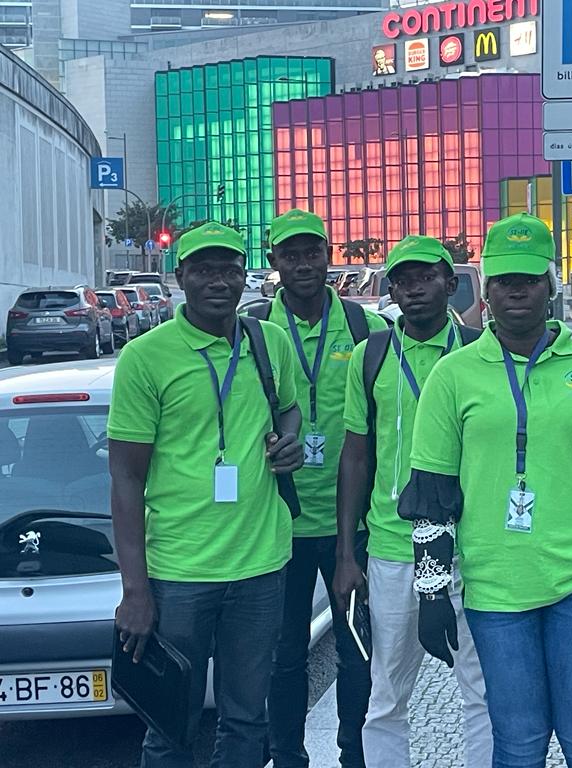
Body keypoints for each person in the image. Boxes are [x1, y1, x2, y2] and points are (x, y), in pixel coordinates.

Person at [400, 213, 572, 767]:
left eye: (529, 278)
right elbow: (432, 493)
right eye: (502, 280)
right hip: (497, 592)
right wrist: (430, 591)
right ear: (486, 292)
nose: (516, 289)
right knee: (518, 743)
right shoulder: (452, 376)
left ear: (551, 285)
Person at [109, 221, 304, 767]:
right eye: (203, 270)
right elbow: (126, 479)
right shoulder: (147, 358)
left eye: (229, 270)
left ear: (245, 278)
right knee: (170, 726)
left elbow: (289, 406)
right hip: (179, 574)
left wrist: (287, 438)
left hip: (260, 566)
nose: (218, 281)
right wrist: (136, 591)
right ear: (180, 278)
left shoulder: (271, 342)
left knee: (247, 721)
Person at [333, 235, 492, 768]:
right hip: (394, 547)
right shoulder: (370, 355)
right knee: (386, 694)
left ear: (452, 283)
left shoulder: (479, 351)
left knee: (481, 690)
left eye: (427, 277)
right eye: (402, 279)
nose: (415, 288)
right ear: (390, 289)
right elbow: (355, 457)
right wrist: (345, 555)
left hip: (472, 545)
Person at [258, 208, 386, 768]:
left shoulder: (368, 329)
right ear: (274, 264)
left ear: (329, 255)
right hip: (277, 526)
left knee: (356, 654)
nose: (304, 264)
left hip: (351, 526)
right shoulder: (255, 333)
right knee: (283, 657)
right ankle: (286, 757)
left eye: (313, 252)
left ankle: (353, 754)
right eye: (291, 255)